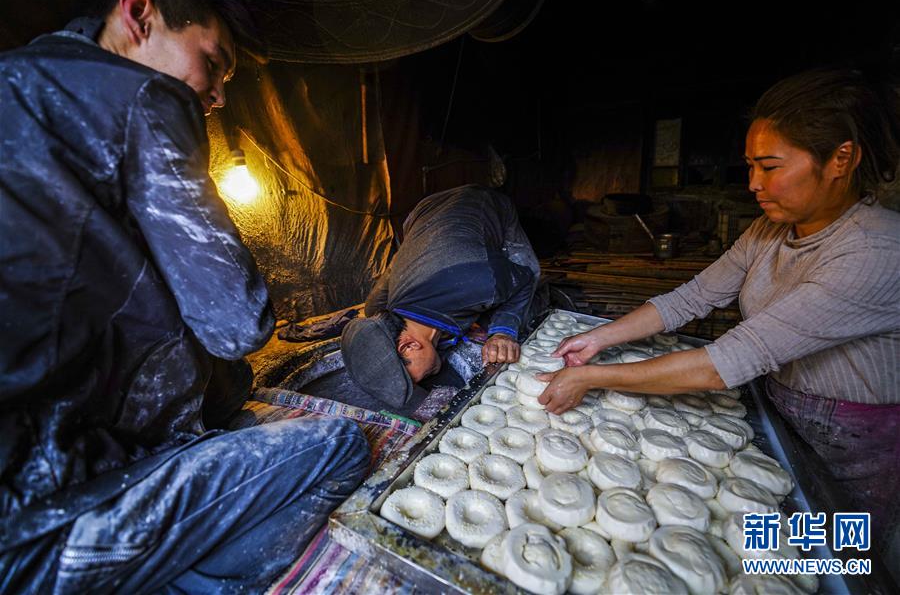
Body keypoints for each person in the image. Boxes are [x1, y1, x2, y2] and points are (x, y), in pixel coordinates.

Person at [0, 0, 369, 592]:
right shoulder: (142, 97)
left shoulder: (19, 79)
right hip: (34, 517)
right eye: (214, 62)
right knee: (340, 445)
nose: (218, 95)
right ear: (139, 13)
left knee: (229, 401)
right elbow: (237, 324)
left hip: (33, 449)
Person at [537, 68, 900, 569]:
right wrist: (600, 338)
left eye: (769, 167)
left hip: (855, 443)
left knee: (828, 560)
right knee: (760, 544)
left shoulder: (875, 252)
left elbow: (725, 362)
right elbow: (692, 298)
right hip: (782, 410)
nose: (753, 184)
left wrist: (592, 377)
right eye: (750, 166)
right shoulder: (770, 231)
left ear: (841, 158)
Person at [341, 185, 540, 409]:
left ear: (408, 346)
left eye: (410, 380)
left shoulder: (480, 283)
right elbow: (373, 306)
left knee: (528, 278)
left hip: (480, 202)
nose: (418, 384)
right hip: (423, 214)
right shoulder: (384, 302)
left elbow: (525, 279)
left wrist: (503, 331)